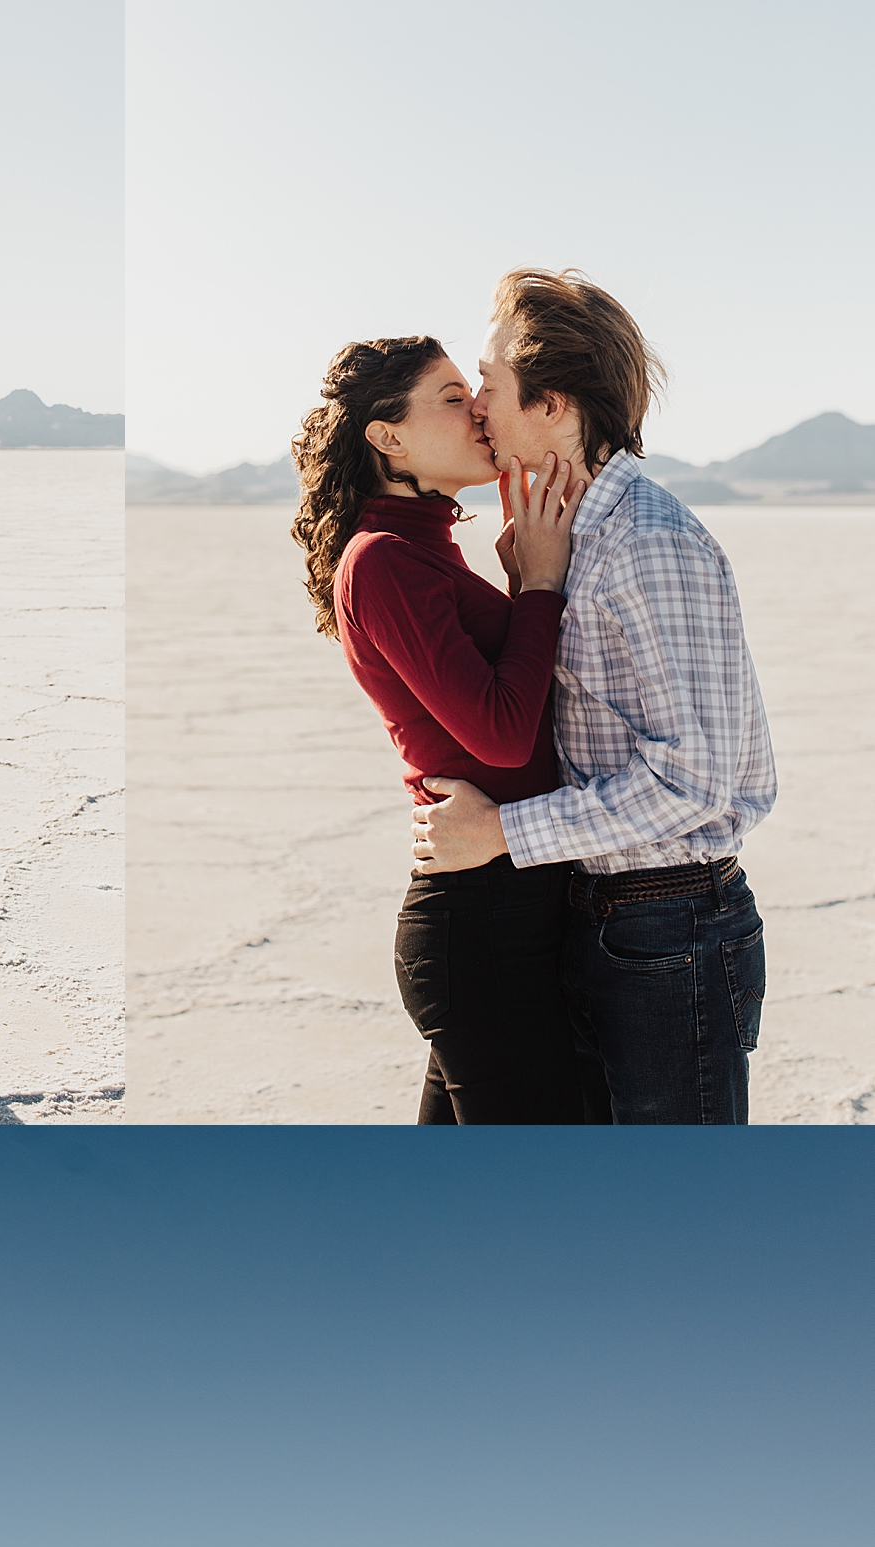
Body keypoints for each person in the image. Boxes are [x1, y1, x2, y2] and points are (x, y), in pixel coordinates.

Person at [414, 271, 776, 1125]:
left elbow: (693, 782)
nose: (477, 410)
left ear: (553, 404)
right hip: (599, 918)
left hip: (672, 933)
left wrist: (502, 832)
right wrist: (529, 587)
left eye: (489, 385)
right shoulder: (575, 535)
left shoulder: (649, 543)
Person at [291, 336, 588, 1123]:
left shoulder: (426, 550)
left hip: (506, 911)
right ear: (387, 437)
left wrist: (523, 586)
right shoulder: (383, 559)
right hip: (483, 925)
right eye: (453, 399)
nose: (479, 412)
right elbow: (502, 735)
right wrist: (540, 586)